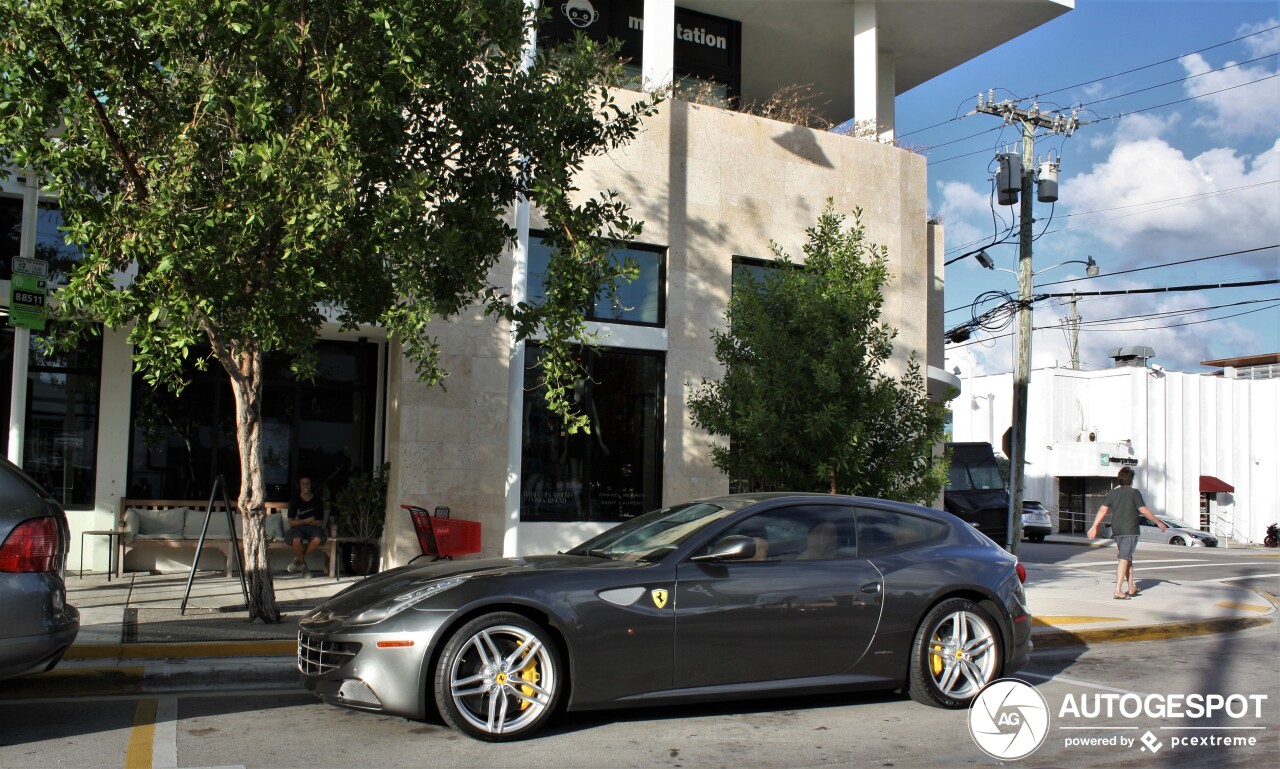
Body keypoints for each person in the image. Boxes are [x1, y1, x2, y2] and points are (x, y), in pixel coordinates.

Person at [1087, 466, 1167, 599]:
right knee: (1124, 559)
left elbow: (1102, 510)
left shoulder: (1112, 493)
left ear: (1119, 480)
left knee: (1127, 558)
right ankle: (1118, 590)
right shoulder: (1134, 493)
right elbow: (1143, 510)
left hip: (1117, 530)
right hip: (1129, 531)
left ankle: (1131, 587)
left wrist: (1094, 526)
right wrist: (1158, 522)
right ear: (1131, 480)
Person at [285, 476, 326, 577]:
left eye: (307, 483)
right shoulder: (295, 500)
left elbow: (319, 522)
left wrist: (299, 521)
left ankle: (297, 560)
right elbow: (291, 522)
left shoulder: (317, 500)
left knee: (317, 539)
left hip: (313, 529)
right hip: (297, 529)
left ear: (311, 485)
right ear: (300, 486)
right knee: (296, 539)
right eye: (303, 484)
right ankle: (304, 566)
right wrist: (308, 520)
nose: (305, 486)